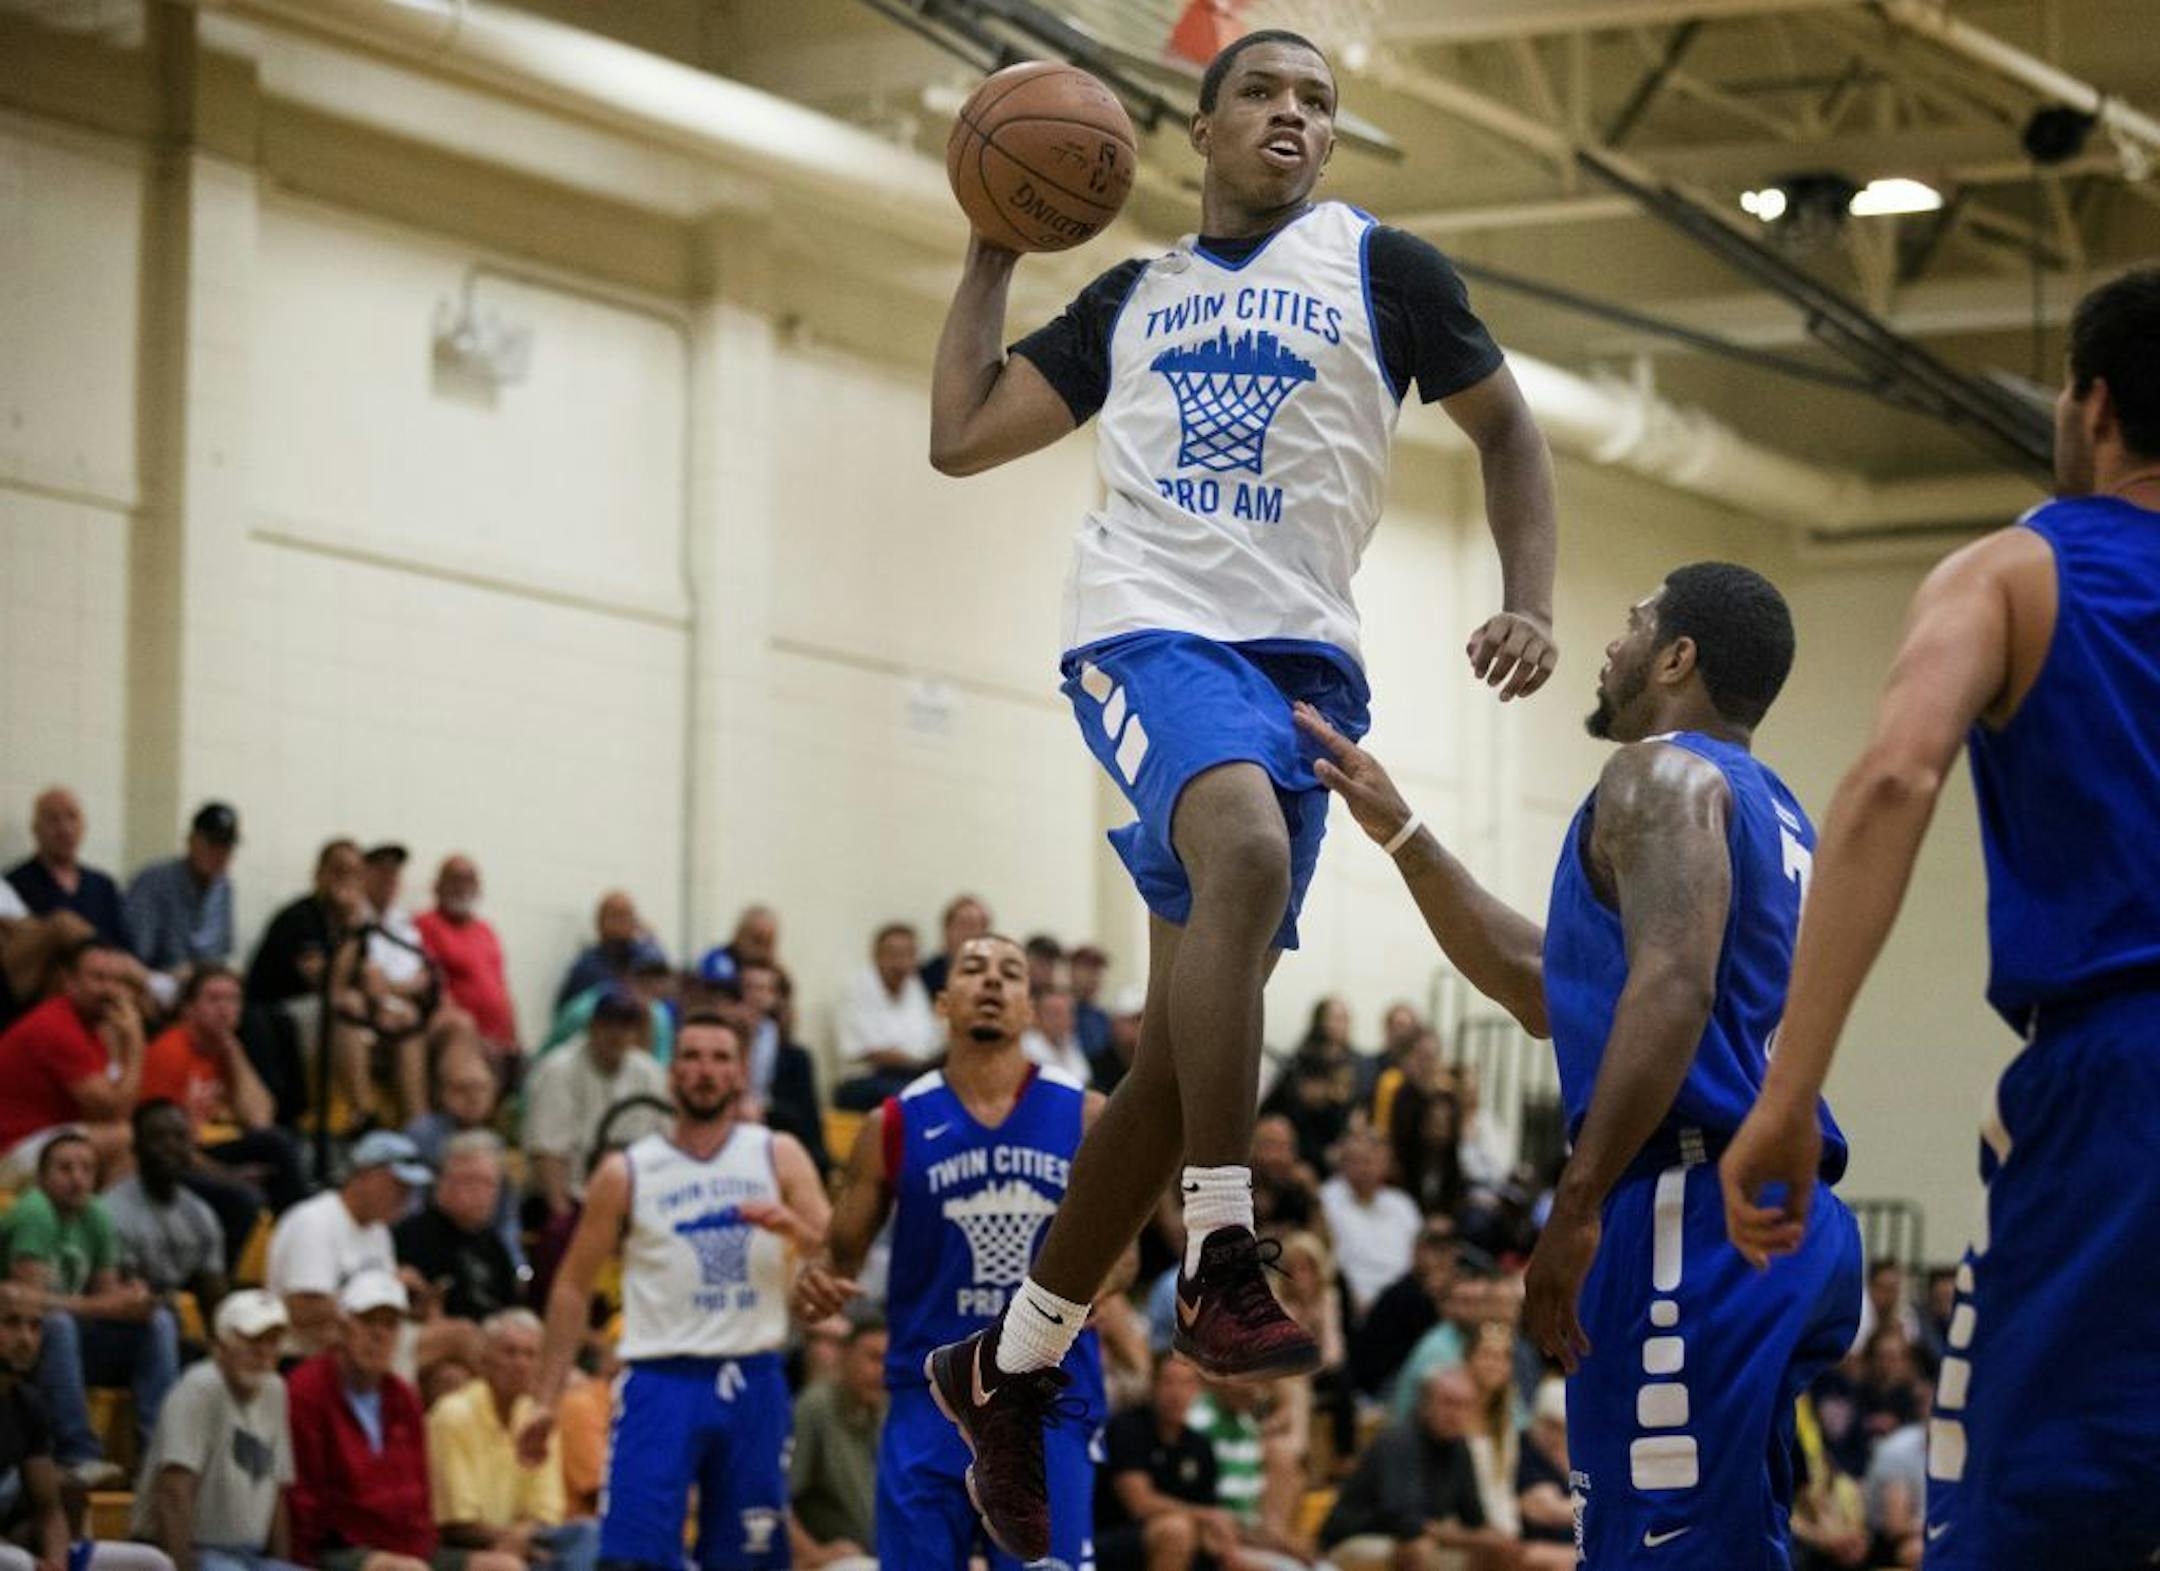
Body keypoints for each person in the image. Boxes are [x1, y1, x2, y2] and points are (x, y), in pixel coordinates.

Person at [925, 33, 1559, 1550]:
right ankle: (1222, 1245)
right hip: (1143, 631)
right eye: (1265, 91)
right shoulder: (1131, 298)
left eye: (1319, 100)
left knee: (1163, 1070)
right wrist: (986, 248)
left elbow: (1511, 431)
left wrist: (1530, 591)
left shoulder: (1383, 267)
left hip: (1301, 670)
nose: (1294, 114)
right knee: (1250, 850)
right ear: (1200, 125)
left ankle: (1007, 1366)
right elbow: (960, 436)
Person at [1719, 268, 2160, 1569]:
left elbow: (1898, 774)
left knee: (2021, 1518)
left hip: (2121, 1083)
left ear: (2087, 401)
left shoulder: (2016, 568)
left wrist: (1788, 1084)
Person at [1304, 560, 1863, 1566]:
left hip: (1687, 1210)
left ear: (1679, 656)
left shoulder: (1656, 773)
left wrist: (1577, 1201)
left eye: (1635, 621)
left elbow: (1673, 987)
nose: (1613, 642)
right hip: (1775, 1210)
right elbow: (1541, 983)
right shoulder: (1770, 807)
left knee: (1659, 1549)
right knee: (1728, 1540)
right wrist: (1406, 832)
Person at [791, 935, 1107, 1571]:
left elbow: (1123, 1251)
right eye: (973, 969)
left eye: (1009, 973)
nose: (991, 982)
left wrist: (1104, 1283)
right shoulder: (894, 1122)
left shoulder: (1085, 1115)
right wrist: (816, 1279)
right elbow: (839, 1260)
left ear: (1028, 1006)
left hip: (1045, 1397)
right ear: (943, 1001)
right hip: (928, 1398)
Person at [522, 1013, 829, 1571]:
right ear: (670, 1075)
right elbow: (570, 1287)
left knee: (750, 1558)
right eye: (691, 1057)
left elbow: (835, 1260)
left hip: (753, 1376)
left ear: (739, 1074)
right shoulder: (626, 1171)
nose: (704, 1071)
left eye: (718, 1058)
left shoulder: (777, 1154)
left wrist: (795, 1231)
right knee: (631, 1559)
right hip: (659, 1380)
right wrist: (544, 1399)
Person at [288, 1271, 520, 1571]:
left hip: (408, 1548)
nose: (379, 1335)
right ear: (342, 1328)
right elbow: (307, 1502)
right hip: (338, 1549)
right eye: (368, 1322)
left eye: (390, 1324)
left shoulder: (402, 1395)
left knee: (505, 1566)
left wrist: (417, 1549)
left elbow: (418, 1496)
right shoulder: (307, 1390)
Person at [3, 1130, 180, 1482]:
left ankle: (160, 1455)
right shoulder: (35, 1212)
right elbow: (27, 1306)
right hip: (16, 1348)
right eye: (65, 1168)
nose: (77, 1178)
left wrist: (133, 1302)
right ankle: (78, 1454)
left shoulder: (96, 1214)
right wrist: (105, 1305)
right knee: (57, 1325)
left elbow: (108, 1297)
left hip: (68, 1343)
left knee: (158, 1323)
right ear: (41, 1178)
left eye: (86, 1169)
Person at [0, 1281, 176, 1571]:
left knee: (154, 1563)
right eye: (11, 1324)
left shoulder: (28, 1404)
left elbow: (50, 1510)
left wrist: (56, 1562)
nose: (26, 1339)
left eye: (35, 1327)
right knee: (18, 1564)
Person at [129, 1289, 301, 1571]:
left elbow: (277, 1493)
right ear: (220, 1345)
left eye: (272, 1341)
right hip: (193, 1551)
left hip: (251, 1556)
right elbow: (173, 1492)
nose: (264, 1352)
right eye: (252, 1340)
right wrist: (182, 1566)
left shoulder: (275, 1389)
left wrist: (278, 1563)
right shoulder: (198, 1388)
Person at [428, 1311, 596, 1571]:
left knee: (589, 1534)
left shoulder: (537, 1418)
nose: (521, 1363)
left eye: (530, 1355)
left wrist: (522, 1536)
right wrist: (511, 1540)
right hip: (466, 1548)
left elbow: (546, 1511)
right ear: (484, 1361)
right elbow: (455, 1522)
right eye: (510, 1352)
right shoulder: (452, 1414)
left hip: (526, 1543)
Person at [139, 966, 304, 1220]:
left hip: (216, 1146)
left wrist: (233, 1053)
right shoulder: (170, 1052)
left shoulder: (226, 1050)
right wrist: (227, 1175)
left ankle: (298, 1229)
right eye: (214, 999)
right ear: (188, 1008)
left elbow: (261, 1120)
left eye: (232, 1000)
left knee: (278, 1143)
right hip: (182, 1159)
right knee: (244, 1198)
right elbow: (163, 1146)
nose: (225, 1009)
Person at [1318, 1368, 1512, 1571]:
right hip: (1354, 1540)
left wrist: (1498, 1542)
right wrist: (1472, 1539)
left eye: (1465, 1406)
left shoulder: (1459, 1448)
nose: (1455, 1414)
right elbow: (1406, 1522)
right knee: (1418, 1548)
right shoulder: (1399, 1441)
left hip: (1411, 1537)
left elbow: (1474, 1519)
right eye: (1448, 1403)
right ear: (1425, 1404)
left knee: (1500, 1549)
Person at [264, 1130, 432, 1357]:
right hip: (306, 1352)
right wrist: (380, 1294)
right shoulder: (315, 1220)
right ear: (364, 1175)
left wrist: (404, 1297)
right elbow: (301, 1309)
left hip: (360, 1344)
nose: (404, 1197)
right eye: (397, 1185)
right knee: (458, 1337)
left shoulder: (379, 1231)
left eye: (409, 1189)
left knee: (449, 1374)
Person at [0, 936, 142, 1181]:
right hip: (11, 1150)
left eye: (116, 981)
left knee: (137, 1150)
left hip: (48, 1140)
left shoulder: (92, 1026)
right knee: (122, 1138)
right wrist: (135, 1044)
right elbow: (114, 1111)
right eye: (98, 978)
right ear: (70, 982)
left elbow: (115, 1100)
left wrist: (122, 1043)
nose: (109, 990)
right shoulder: (56, 1027)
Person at [520, 990, 669, 1220]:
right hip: (571, 1202)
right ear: (592, 1026)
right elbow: (547, 1153)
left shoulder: (649, 1073)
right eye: (608, 1025)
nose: (616, 1034)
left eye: (625, 1027)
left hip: (637, 1202)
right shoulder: (558, 1070)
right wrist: (562, 1218)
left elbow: (668, 1142)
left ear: (636, 1033)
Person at [1092, 1355, 1236, 1571]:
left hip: (1182, 1535)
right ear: (1153, 1385)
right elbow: (1139, 1504)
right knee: (1176, 1531)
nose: (1176, 1393)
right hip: (1113, 1538)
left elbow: (1211, 1513)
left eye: (1186, 1384)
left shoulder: (1200, 1445)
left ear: (1197, 1390)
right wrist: (1206, 1517)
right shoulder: (1128, 1428)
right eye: (1168, 1382)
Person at [103, 1101, 228, 1324]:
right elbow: (123, 1296)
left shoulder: (201, 1214)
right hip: (118, 1325)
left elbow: (214, 1299)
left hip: (165, 1321)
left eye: (180, 1137)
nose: (170, 1146)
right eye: (158, 1137)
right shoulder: (113, 1211)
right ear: (136, 1146)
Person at [788, 1315, 885, 1569]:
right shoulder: (815, 1407)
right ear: (845, 1356)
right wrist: (814, 1553)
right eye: (873, 1358)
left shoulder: (884, 1409)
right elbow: (775, 1498)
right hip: (837, 1558)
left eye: (887, 1360)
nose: (882, 1370)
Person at [394, 1132, 521, 1325]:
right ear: (443, 1183)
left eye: (490, 1184)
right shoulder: (413, 1237)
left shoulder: (495, 1246)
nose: (482, 1194)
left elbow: (511, 1309)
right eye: (472, 1181)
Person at [125, 803, 241, 1004]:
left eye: (226, 847)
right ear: (192, 841)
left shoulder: (224, 890)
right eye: (212, 844)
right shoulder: (154, 882)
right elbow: (135, 955)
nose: (219, 854)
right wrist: (171, 976)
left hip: (202, 992)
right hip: (155, 986)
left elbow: (219, 955)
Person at [831, 923, 941, 1111]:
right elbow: (871, 1053)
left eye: (908, 954)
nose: (900, 961)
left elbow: (928, 1045)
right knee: (914, 1097)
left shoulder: (915, 987)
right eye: (893, 953)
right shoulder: (856, 988)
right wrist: (913, 1059)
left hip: (911, 1075)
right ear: (876, 955)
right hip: (862, 1081)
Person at [414, 857, 518, 1056]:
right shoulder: (424, 924)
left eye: (469, 880)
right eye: (455, 879)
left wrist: (514, 1039)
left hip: (499, 1046)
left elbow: (502, 987)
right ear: (436, 886)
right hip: (458, 1044)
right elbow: (434, 987)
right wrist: (473, 1038)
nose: (462, 887)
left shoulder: (486, 930)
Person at [244, 841, 363, 1008]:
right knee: (347, 1005)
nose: (346, 881)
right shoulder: (299, 917)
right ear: (319, 874)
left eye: (354, 874)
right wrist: (352, 929)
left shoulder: (351, 922)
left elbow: (366, 977)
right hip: (276, 1008)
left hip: (311, 1007)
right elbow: (326, 985)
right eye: (339, 871)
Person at [1317, 1130, 1420, 1323]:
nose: (1364, 1169)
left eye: (1371, 1161)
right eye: (1357, 1160)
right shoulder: (1325, 1200)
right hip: (1349, 1300)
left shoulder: (1403, 1205)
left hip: (1401, 1300)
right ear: (1342, 1163)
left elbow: (1416, 1258)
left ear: (1385, 1165)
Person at [6, 789, 129, 950]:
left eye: (72, 817)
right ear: (35, 828)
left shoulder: (103, 886)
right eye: (53, 819)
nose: (65, 829)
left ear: (83, 826)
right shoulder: (13, 886)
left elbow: (123, 949)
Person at [554, 893, 665, 1011]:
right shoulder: (587, 966)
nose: (622, 922)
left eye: (628, 915)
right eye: (616, 915)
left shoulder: (646, 956)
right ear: (600, 923)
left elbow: (665, 992)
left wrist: (651, 940)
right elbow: (565, 1013)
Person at [917, 895, 989, 1001]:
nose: (968, 933)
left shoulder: (995, 976)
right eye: (962, 925)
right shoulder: (923, 977)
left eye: (974, 926)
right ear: (947, 930)